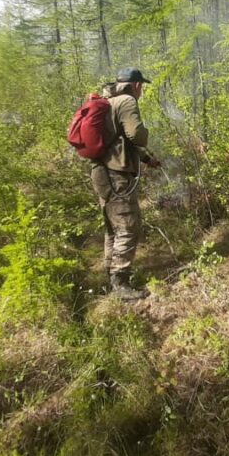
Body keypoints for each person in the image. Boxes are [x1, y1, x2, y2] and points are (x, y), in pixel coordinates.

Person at [91, 67, 161, 301]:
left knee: (113, 228)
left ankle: (110, 276)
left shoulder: (108, 100)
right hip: (116, 175)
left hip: (101, 173)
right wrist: (146, 134)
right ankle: (120, 284)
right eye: (142, 87)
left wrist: (147, 159)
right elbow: (136, 135)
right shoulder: (127, 101)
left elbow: (120, 142)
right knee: (129, 226)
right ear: (137, 85)